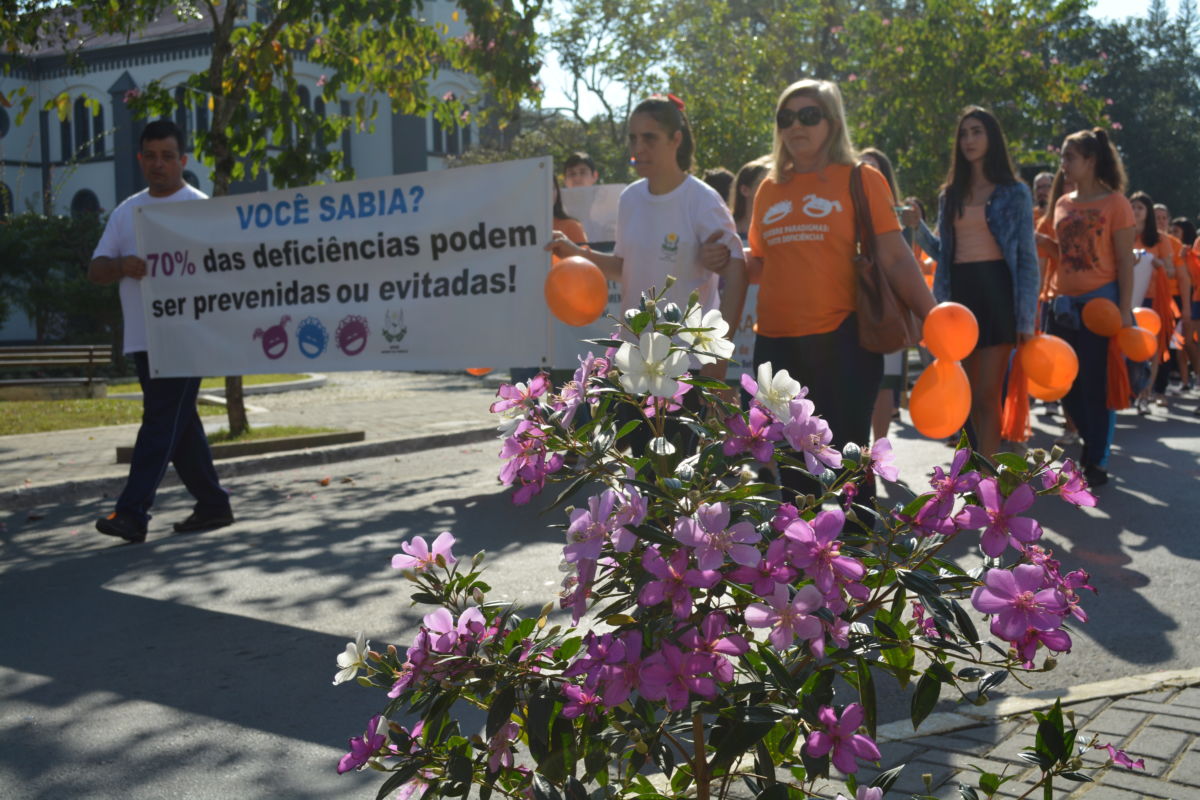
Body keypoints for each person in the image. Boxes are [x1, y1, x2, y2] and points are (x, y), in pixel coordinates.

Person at [747, 79, 934, 501]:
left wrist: (933, 315)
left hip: (844, 343)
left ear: (832, 123)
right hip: (775, 349)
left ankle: (858, 563)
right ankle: (797, 563)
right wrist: (726, 256)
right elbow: (760, 261)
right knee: (791, 469)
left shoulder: (860, 178)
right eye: (786, 117)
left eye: (809, 116)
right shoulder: (768, 189)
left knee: (848, 465)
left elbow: (895, 255)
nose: (796, 126)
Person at [89, 119, 234, 542]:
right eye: (151, 156)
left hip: (189, 335)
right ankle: (213, 504)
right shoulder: (126, 212)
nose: (159, 164)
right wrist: (122, 266)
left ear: (182, 161)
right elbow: (96, 270)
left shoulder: (202, 209)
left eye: (167, 156)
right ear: (140, 160)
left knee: (159, 420)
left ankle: (132, 512)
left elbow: (226, 273)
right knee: (178, 422)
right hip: (143, 338)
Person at [548, 95, 747, 378]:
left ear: (675, 139)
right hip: (635, 361)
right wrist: (575, 252)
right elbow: (624, 267)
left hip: (686, 364)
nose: (638, 148)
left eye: (649, 138)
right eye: (633, 139)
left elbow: (738, 271)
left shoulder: (702, 199)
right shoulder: (630, 198)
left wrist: (718, 357)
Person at [907, 106, 1040, 460]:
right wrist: (918, 226)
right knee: (962, 394)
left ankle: (987, 473)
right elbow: (942, 252)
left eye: (976, 131)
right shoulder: (949, 194)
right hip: (958, 298)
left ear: (992, 137)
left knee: (986, 395)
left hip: (997, 291)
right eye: (964, 133)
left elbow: (1027, 259)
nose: (969, 140)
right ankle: (968, 468)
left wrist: (1026, 319)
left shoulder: (1015, 192)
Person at [1047, 127, 1136, 487]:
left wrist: (1126, 311)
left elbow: (1125, 262)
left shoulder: (1117, 203)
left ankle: (1097, 459)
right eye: (1063, 157)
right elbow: (1065, 254)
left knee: (1096, 387)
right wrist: (1043, 243)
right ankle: (1089, 441)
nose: (1063, 164)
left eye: (1069, 157)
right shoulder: (1062, 203)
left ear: (1090, 160)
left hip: (1101, 307)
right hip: (1063, 305)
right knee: (1065, 385)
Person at [858, 147, 905, 443]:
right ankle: (858, 452)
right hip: (852, 301)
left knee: (886, 383)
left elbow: (903, 260)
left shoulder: (898, 216)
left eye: (874, 168)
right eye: (862, 167)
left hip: (888, 302)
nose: (867, 174)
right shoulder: (838, 209)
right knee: (858, 381)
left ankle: (879, 451)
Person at [1129, 191, 1176, 413]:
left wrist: (1155, 262)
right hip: (1126, 298)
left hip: (1152, 300)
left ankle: (1145, 394)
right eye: (1133, 206)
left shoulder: (1159, 239)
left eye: (1140, 207)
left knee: (1150, 348)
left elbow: (1171, 270)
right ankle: (1128, 389)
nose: (1136, 211)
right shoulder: (1122, 234)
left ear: (1147, 212)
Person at [729, 156, 770, 240]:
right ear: (745, 190)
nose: (770, 188)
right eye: (763, 183)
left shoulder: (776, 228)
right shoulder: (727, 229)